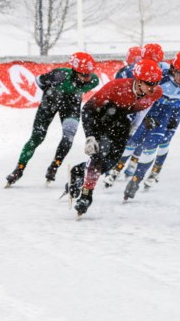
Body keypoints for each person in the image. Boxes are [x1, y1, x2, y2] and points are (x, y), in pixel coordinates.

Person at [63, 60, 163, 219]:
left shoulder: (156, 92)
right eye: (149, 83)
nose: (153, 87)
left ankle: (78, 172)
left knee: (111, 162)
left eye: (156, 83)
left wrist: (135, 126)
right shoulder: (116, 87)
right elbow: (87, 109)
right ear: (138, 80)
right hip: (99, 116)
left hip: (121, 121)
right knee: (99, 155)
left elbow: (143, 110)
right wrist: (90, 136)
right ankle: (86, 195)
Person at [120, 51, 180, 200]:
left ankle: (143, 176)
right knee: (142, 141)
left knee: (162, 142)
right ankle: (129, 172)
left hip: (173, 111)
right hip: (154, 108)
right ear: (172, 70)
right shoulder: (159, 77)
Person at [5, 52, 100, 187]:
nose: (87, 78)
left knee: (68, 137)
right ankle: (19, 169)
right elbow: (39, 81)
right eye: (83, 75)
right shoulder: (58, 75)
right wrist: (51, 93)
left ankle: (54, 166)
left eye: (89, 74)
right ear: (74, 71)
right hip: (50, 102)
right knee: (38, 136)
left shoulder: (93, 80)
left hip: (71, 105)